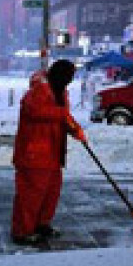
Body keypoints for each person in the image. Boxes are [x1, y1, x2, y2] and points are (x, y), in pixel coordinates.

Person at [11, 60, 86, 246]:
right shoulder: (39, 89)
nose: (70, 81)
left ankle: (42, 224)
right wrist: (62, 115)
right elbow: (34, 111)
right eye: (68, 76)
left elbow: (63, 117)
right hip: (34, 153)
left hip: (53, 152)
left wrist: (75, 129)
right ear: (59, 74)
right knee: (30, 195)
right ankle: (22, 231)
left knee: (51, 192)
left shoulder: (61, 92)